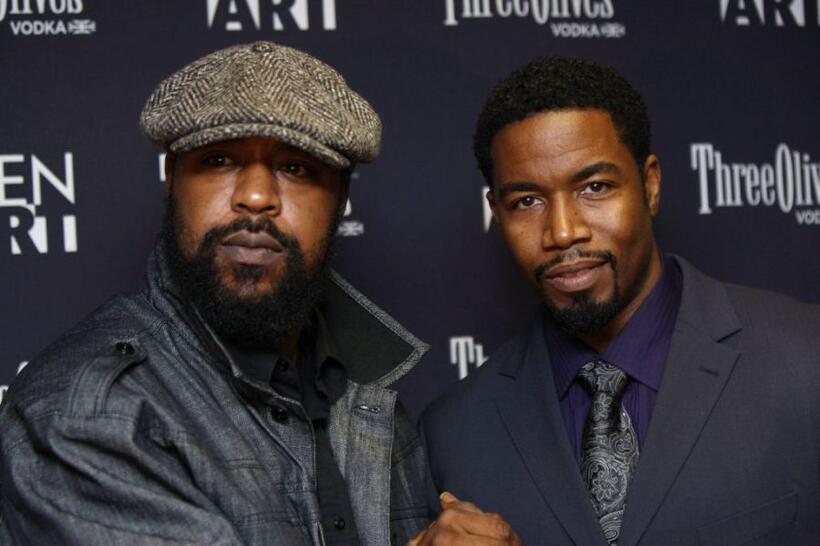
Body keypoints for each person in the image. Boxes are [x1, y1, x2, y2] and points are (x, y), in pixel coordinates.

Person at [0, 41, 434, 545]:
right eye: (220, 159)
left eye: (296, 168)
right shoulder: (88, 411)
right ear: (171, 179)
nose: (256, 197)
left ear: (340, 199)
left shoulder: (360, 387)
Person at [420, 56, 820, 545]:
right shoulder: (454, 433)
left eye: (594, 187)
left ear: (649, 186)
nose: (562, 232)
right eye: (527, 201)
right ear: (496, 214)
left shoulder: (806, 361)